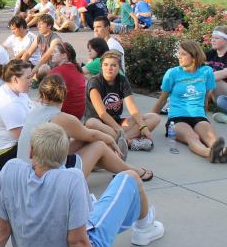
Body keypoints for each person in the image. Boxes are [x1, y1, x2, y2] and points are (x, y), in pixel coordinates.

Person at [0, 122, 164, 247]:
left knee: (92, 205)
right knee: (130, 177)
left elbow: (1, 229)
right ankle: (145, 227)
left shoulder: (11, 170)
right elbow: (78, 242)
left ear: (31, 151)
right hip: (86, 245)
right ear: (65, 155)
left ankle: (139, 223)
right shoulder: (71, 179)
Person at [17, 76, 153, 180]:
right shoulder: (62, 117)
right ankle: (131, 171)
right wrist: (111, 140)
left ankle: (104, 162)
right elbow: (92, 136)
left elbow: (85, 136)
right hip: (48, 178)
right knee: (99, 145)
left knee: (84, 139)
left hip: (27, 170)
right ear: (64, 94)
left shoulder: (34, 110)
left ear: (42, 94)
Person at [152, 40, 227, 163]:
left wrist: (205, 119)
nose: (179, 56)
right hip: (177, 118)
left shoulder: (206, 72)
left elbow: (206, 98)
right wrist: (147, 123)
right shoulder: (172, 73)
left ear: (194, 56)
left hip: (198, 116)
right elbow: (162, 99)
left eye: (183, 54)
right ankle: (210, 153)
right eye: (179, 53)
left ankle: (224, 153)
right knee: (193, 137)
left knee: (212, 138)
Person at [84, 51, 160, 152]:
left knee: (154, 117)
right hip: (100, 125)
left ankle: (121, 141)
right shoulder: (95, 82)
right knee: (91, 123)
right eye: (105, 65)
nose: (109, 68)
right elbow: (102, 114)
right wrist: (119, 130)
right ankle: (129, 141)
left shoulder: (122, 80)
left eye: (113, 65)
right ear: (101, 66)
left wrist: (143, 127)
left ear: (119, 67)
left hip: (117, 123)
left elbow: (132, 107)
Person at [47, 43, 86, 119]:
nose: (52, 54)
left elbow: (45, 96)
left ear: (64, 55)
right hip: (79, 114)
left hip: (65, 115)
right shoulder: (78, 68)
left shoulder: (56, 71)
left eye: (55, 52)